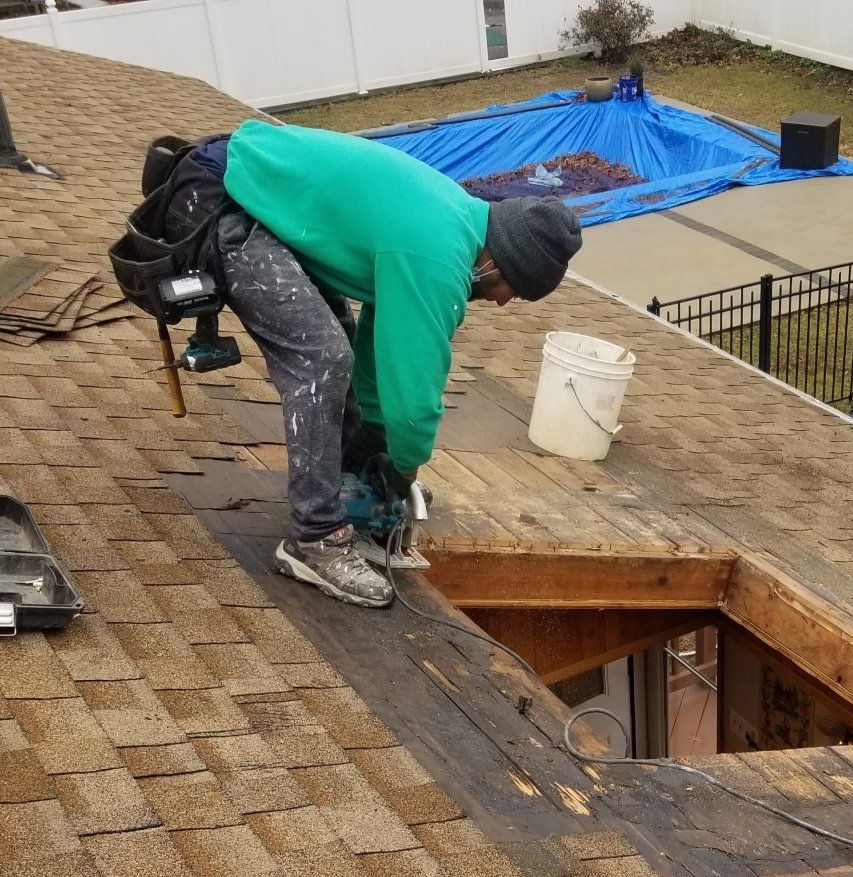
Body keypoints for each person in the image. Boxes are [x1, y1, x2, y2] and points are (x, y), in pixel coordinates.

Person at [161, 119, 582, 607]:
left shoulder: (454, 222)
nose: (505, 302)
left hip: (253, 190)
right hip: (220, 199)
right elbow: (414, 399)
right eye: (515, 289)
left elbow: (383, 348)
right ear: (501, 262)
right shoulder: (439, 257)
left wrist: (372, 445)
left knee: (339, 336)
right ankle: (316, 539)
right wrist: (403, 471)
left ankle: (338, 479)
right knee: (321, 357)